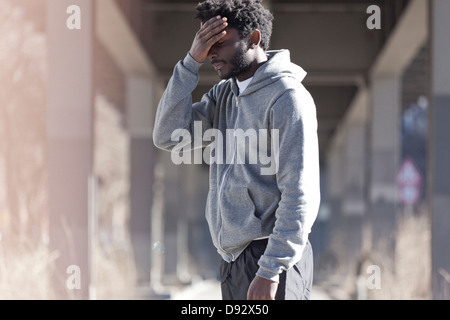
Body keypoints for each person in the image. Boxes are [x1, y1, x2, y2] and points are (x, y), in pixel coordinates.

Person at [153, 0, 321, 300]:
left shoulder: (288, 98)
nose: (211, 54)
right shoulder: (224, 96)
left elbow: (299, 193)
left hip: (271, 258)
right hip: (233, 260)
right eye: (206, 44)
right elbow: (168, 136)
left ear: (254, 39)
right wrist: (191, 61)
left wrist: (270, 270)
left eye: (220, 42)